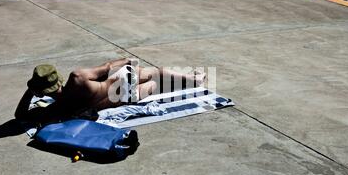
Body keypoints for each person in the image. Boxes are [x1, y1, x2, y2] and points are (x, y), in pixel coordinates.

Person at [14, 58, 206, 124]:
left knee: (153, 85)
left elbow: (19, 115)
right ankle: (193, 79)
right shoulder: (77, 78)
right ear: (58, 79)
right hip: (120, 81)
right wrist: (126, 61)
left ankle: (182, 83)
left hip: (124, 98)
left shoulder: (56, 110)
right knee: (153, 72)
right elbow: (106, 67)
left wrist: (30, 91)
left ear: (41, 91)